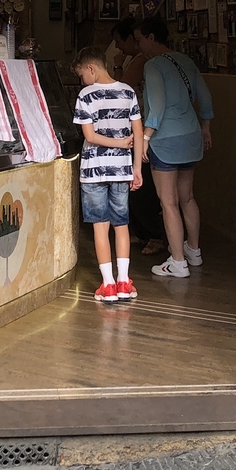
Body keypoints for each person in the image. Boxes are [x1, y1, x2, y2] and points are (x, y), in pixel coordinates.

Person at [134, 17, 214, 278]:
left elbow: (156, 106)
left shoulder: (153, 66)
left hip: (166, 140)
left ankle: (177, 262)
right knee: (187, 197)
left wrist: (145, 138)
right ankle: (194, 250)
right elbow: (204, 97)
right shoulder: (187, 61)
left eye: (140, 39)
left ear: (151, 38)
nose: (139, 45)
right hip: (191, 134)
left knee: (168, 202)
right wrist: (206, 127)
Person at [72, 46, 143, 302]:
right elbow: (138, 132)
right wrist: (137, 168)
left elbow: (89, 137)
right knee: (121, 225)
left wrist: (118, 143)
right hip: (122, 169)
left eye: (82, 75)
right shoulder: (128, 92)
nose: (83, 81)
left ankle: (108, 285)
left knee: (100, 228)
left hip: (93, 171)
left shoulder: (85, 96)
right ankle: (125, 281)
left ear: (91, 69)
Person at [112, 18, 167, 256]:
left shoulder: (141, 61)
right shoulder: (147, 61)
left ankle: (153, 234)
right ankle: (145, 233)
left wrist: (116, 67)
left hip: (142, 129)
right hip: (143, 128)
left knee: (140, 186)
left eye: (120, 41)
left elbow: (123, 89)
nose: (119, 47)